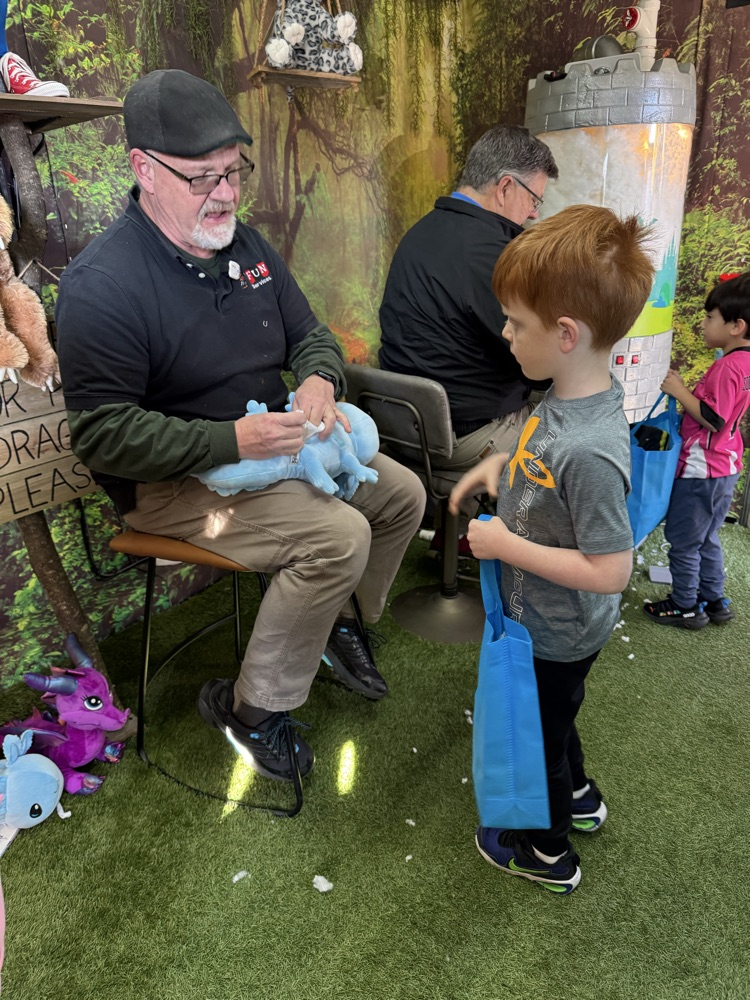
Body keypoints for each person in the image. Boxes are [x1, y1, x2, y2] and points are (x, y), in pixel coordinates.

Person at [55, 69, 425, 783]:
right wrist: (232, 441)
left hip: (275, 453)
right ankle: (250, 709)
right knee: (338, 533)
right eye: (203, 178)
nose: (225, 193)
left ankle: (335, 623)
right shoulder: (103, 285)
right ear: (143, 169)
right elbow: (102, 438)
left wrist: (319, 377)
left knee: (402, 494)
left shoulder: (247, 248)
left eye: (232, 171)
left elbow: (311, 335)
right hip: (173, 484)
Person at [449, 204, 654, 894]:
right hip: (544, 627)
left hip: (558, 630)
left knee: (537, 741)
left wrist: (505, 543)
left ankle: (547, 853)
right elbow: (534, 442)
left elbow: (611, 570)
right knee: (554, 720)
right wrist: (494, 465)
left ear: (565, 334)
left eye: (515, 323)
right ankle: (582, 798)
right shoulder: (564, 400)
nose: (505, 334)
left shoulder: (591, 449)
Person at [379, 125, 559, 480]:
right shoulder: (493, 255)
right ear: (506, 187)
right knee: (579, 438)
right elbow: (540, 358)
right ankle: (516, 533)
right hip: (463, 434)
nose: (535, 214)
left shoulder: (420, 233)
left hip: (399, 422)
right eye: (534, 200)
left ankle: (459, 531)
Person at [643, 271, 750, 630]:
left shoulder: (726, 367)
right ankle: (715, 599)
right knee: (707, 536)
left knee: (684, 540)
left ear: (737, 325)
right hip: (726, 467)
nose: (703, 324)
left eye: (709, 318)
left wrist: (678, 390)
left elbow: (713, 419)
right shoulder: (745, 364)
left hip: (701, 469)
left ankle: (686, 604)